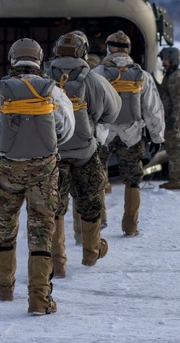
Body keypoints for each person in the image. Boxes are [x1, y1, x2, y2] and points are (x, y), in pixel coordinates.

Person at [0, 38, 75, 315]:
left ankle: (4, 288)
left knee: (5, 228)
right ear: (39, 59)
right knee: (41, 233)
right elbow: (67, 128)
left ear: (13, 59)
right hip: (44, 172)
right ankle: (39, 298)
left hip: (8, 172)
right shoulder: (53, 91)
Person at [47, 32, 122, 277]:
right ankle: (91, 252)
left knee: (55, 208)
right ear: (83, 52)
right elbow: (111, 111)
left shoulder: (42, 79)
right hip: (85, 152)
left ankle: (58, 263)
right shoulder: (92, 79)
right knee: (90, 202)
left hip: (54, 154)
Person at [93, 30, 165, 236]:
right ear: (128, 50)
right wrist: (157, 136)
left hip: (103, 133)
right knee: (132, 179)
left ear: (109, 48)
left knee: (96, 176)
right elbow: (153, 109)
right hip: (132, 133)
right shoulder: (142, 75)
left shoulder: (97, 74)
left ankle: (99, 220)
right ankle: (130, 227)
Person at [157, 46, 180, 190]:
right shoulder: (170, 75)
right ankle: (177, 177)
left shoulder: (176, 77)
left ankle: (177, 180)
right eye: (162, 59)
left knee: (175, 150)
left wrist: (173, 119)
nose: (163, 62)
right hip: (170, 118)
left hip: (174, 119)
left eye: (166, 59)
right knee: (172, 149)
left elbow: (179, 101)